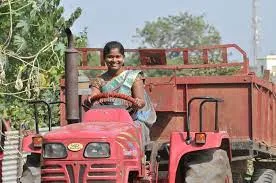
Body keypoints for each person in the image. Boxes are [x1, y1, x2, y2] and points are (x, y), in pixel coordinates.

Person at [85, 41, 156, 147]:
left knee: (132, 132)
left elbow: (141, 102)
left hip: (129, 120)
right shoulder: (99, 80)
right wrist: (91, 98)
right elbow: (93, 96)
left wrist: (137, 103)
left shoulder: (134, 77)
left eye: (118, 57)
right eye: (110, 57)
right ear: (104, 58)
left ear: (123, 58)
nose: (114, 60)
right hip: (106, 121)